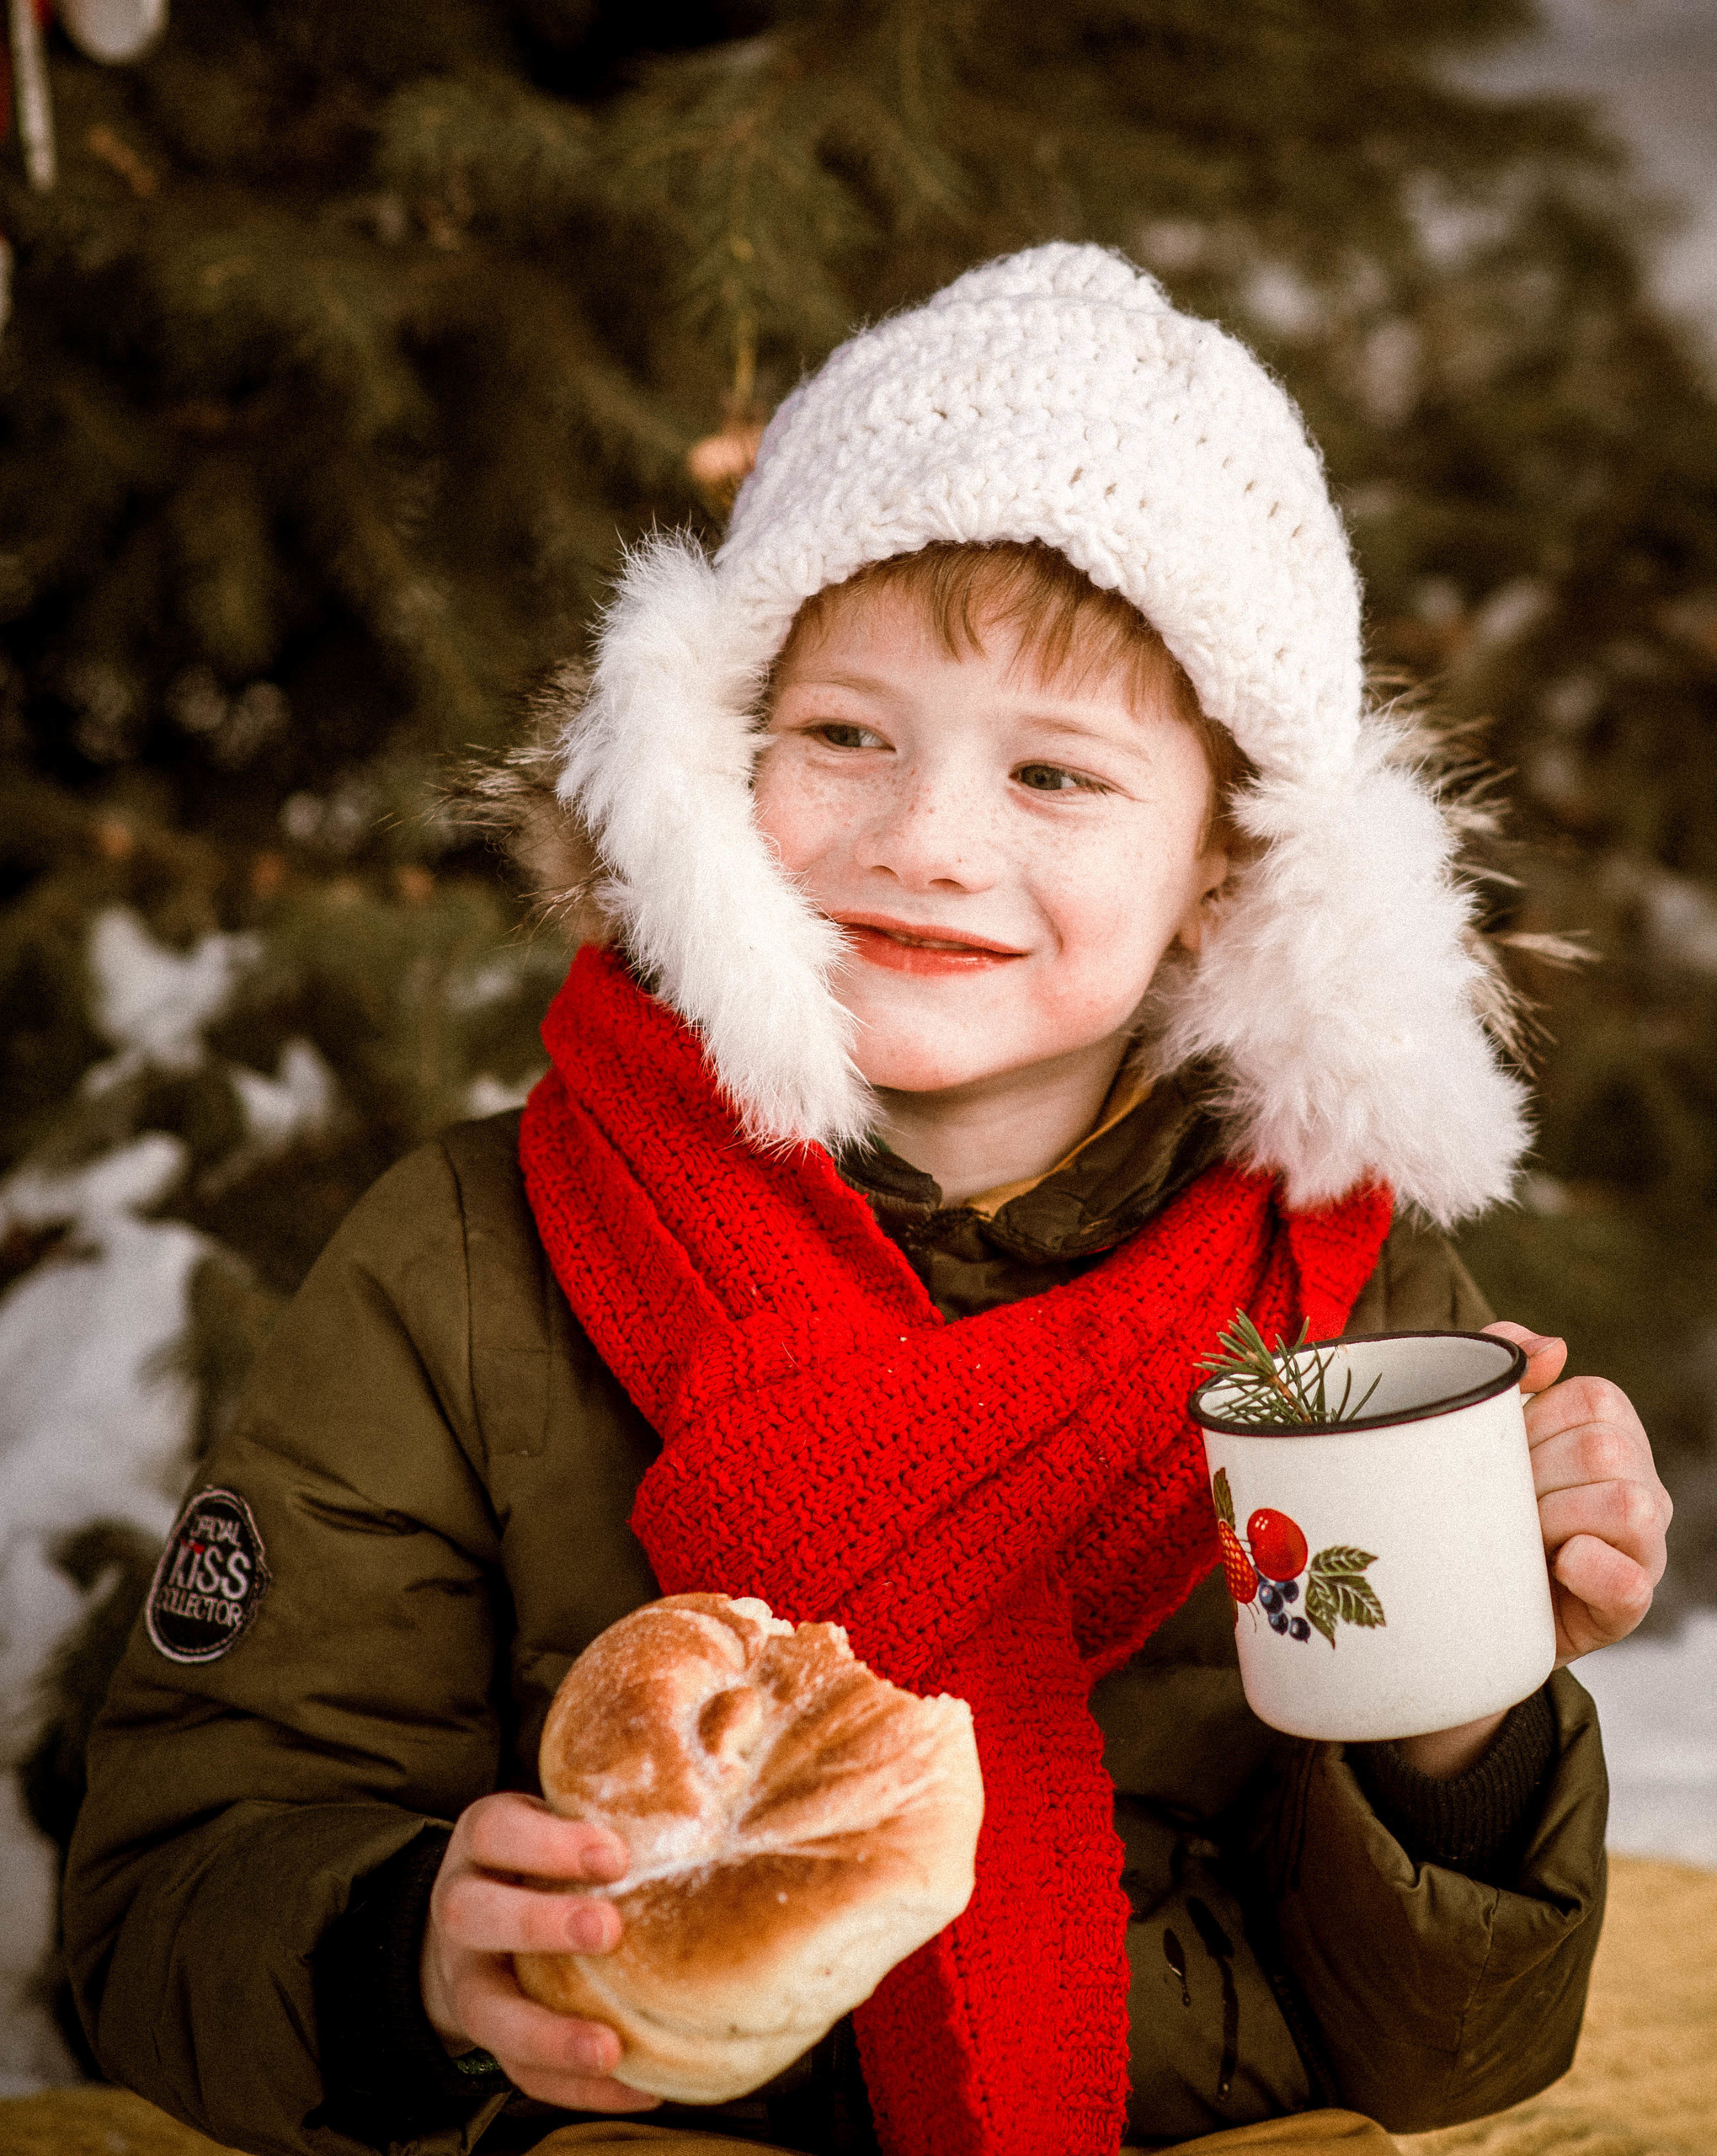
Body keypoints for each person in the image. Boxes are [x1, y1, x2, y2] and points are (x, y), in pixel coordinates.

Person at [63, 246, 1670, 2156]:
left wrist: (1457, 1716)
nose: (927, 836)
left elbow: (1447, 2051)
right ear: (715, 754)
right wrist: (414, 1953)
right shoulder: (473, 1260)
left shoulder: (1343, 1304)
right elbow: (175, 1882)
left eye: (1059, 770)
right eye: (845, 735)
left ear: (1228, 878)